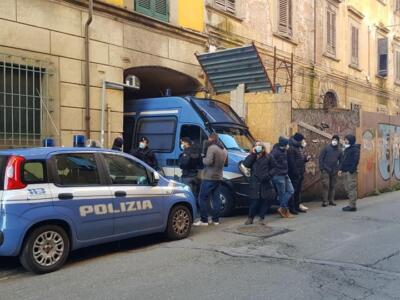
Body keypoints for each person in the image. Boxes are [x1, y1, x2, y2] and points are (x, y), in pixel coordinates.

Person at [194, 133, 228, 226]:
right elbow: (225, 164)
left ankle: (204, 220)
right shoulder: (224, 149)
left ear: (211, 138)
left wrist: (202, 158)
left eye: (209, 138)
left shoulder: (212, 148)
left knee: (202, 198)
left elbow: (208, 162)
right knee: (216, 199)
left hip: (209, 177)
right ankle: (216, 220)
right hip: (219, 177)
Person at [243, 141, 277, 225]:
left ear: (262, 147)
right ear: (254, 147)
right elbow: (246, 164)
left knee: (265, 201)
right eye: (256, 146)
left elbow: (275, 167)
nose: (258, 147)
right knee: (254, 201)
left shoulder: (269, 156)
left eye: (259, 146)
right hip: (255, 183)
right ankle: (250, 218)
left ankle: (262, 217)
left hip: (265, 182)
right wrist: (253, 154)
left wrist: (269, 175)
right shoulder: (252, 156)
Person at [271, 136, 295, 218]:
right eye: (287, 144)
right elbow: (271, 164)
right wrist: (276, 171)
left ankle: (282, 207)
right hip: (278, 175)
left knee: (291, 191)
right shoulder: (275, 152)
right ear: (284, 144)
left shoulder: (284, 150)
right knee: (282, 194)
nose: (288, 146)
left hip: (285, 174)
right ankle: (285, 211)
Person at [287, 133, 310, 214]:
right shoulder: (291, 148)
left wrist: (306, 159)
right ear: (298, 140)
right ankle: (291, 208)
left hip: (300, 173)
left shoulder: (298, 147)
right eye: (302, 140)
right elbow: (292, 163)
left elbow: (300, 159)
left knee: (298, 191)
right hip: (294, 174)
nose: (303, 141)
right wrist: (296, 173)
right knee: (293, 191)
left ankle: (297, 206)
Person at [338, 134, 360, 212]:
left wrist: (351, 170)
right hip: (345, 171)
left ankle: (352, 206)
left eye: (346, 139)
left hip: (350, 172)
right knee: (347, 188)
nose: (345, 141)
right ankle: (350, 203)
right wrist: (340, 169)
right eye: (345, 139)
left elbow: (355, 161)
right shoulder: (347, 149)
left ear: (351, 140)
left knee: (351, 188)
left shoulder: (355, 149)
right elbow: (343, 160)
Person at [319, 135, 342, 207]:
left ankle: (331, 200)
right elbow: (321, 158)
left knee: (332, 186)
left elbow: (341, 161)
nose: (334, 141)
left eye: (336, 140)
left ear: (338, 142)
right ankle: (325, 201)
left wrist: (339, 169)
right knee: (326, 185)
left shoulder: (339, 150)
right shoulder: (326, 148)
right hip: (325, 169)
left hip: (334, 170)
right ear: (331, 140)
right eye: (333, 139)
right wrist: (322, 168)